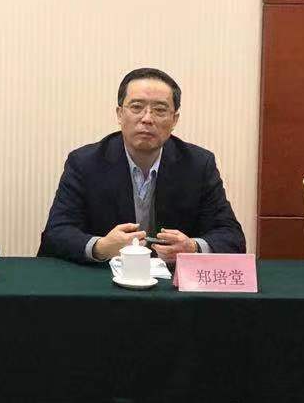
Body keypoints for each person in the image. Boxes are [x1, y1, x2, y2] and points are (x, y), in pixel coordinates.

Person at [39, 67, 245, 264]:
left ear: (174, 119)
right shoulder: (85, 163)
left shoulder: (198, 165)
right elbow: (56, 234)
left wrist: (193, 247)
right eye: (137, 107)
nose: (147, 118)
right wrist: (101, 247)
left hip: (171, 280)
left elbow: (231, 236)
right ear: (120, 114)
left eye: (159, 110)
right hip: (106, 276)